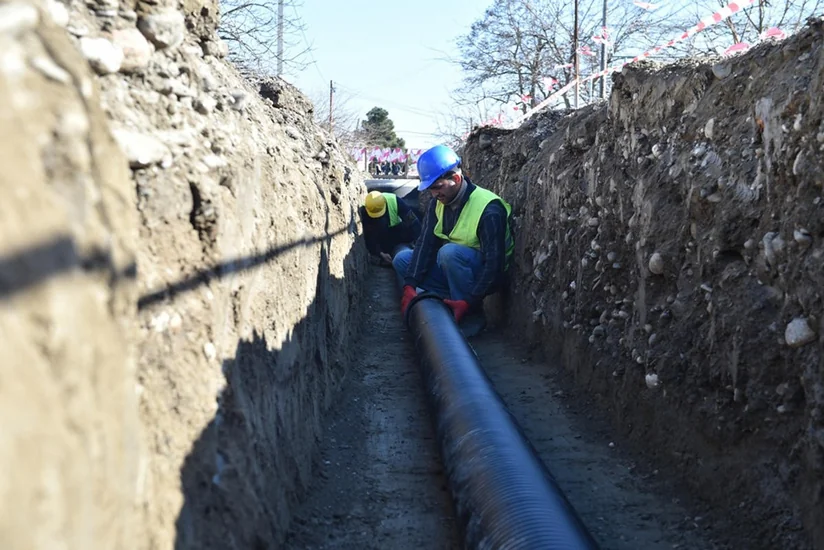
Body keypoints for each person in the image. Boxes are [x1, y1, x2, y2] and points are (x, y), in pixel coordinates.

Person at [393, 145, 513, 335]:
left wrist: (469, 301)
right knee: (402, 260)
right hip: (458, 268)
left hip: (487, 275)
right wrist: (410, 284)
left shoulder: (488, 209)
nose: (434, 194)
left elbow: (494, 266)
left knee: (449, 253)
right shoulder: (438, 203)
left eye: (437, 187)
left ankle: (471, 315)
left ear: (456, 179)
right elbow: (425, 244)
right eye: (430, 189)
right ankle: (450, 301)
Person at [359, 191, 421, 265]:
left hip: (399, 234)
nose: (378, 217)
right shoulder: (365, 210)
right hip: (382, 239)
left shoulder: (394, 201)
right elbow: (369, 236)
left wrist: (419, 244)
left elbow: (414, 223)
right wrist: (380, 253)